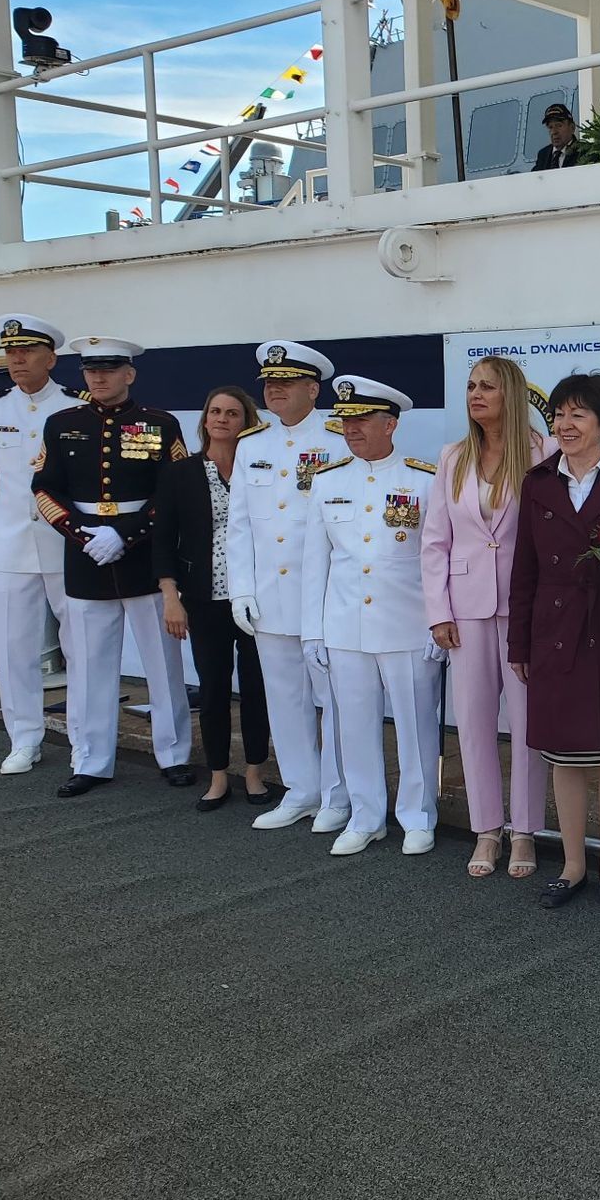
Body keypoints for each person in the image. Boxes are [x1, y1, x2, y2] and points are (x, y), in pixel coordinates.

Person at [507, 372, 600, 909]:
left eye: (578, 415)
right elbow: (523, 569)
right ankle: (573, 864)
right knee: (565, 756)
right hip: (555, 631)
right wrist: (519, 644)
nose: (564, 425)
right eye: (559, 415)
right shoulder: (539, 481)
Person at [32, 337, 195, 797]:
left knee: (163, 663)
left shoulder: (160, 425)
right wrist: (82, 534)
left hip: (146, 556)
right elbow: (44, 489)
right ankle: (91, 759)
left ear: (130, 373)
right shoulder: (61, 423)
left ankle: (175, 753)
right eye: (90, 370)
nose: (98, 378)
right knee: (88, 666)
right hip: (86, 557)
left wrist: (125, 534)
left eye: (108, 369)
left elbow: (173, 491)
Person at [422, 356, 552, 879]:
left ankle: (524, 831)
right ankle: (486, 829)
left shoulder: (543, 452)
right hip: (465, 608)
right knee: (473, 723)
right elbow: (434, 540)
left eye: (488, 387)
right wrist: (438, 611)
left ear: (511, 394)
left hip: (527, 610)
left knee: (527, 726)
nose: (476, 395)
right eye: (471, 386)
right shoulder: (453, 456)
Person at [301, 376, 442, 857]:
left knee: (417, 725)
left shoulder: (424, 480)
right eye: (346, 422)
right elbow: (314, 562)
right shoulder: (327, 480)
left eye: (363, 421)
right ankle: (366, 816)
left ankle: (418, 815)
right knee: (353, 726)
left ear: (391, 424)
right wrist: (313, 632)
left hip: (407, 624)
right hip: (344, 626)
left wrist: (436, 622)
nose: (352, 430)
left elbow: (435, 558)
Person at [0, 316, 84, 774]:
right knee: (13, 648)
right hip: (9, 545)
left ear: (51, 358)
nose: (17, 360)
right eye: (11, 352)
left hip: (67, 543)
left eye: (27, 351)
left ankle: (85, 738)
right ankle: (24, 737)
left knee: (81, 646)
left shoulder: (74, 408)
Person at [229, 341, 351, 836]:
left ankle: (339, 794)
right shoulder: (251, 443)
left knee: (336, 698)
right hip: (270, 596)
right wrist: (241, 588)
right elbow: (239, 525)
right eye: (268, 383)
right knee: (284, 697)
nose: (274, 389)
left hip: (323, 596)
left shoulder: (341, 437)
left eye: (286, 382)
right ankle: (301, 790)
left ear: (312, 388)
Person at [154, 386, 278, 813]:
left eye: (232, 413)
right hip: (204, 599)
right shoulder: (180, 472)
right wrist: (171, 597)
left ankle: (256, 772)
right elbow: (163, 541)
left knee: (258, 688)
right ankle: (219, 775)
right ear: (204, 420)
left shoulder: (261, 468)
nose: (222, 419)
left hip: (255, 598)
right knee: (213, 689)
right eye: (215, 412)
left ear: (247, 422)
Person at [531, 103, 582, 170]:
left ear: (572, 127)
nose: (554, 132)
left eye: (559, 125)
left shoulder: (584, 151)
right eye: (550, 127)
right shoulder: (543, 154)